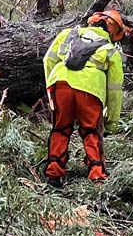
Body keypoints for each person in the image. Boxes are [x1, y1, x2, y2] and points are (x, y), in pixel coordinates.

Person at [42, 10, 125, 186]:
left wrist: (51, 87)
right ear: (113, 32)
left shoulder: (67, 34)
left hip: (60, 84)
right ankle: (97, 175)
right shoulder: (110, 50)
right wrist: (112, 122)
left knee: (60, 128)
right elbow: (115, 90)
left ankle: (54, 173)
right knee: (91, 131)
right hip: (89, 90)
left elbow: (48, 60)